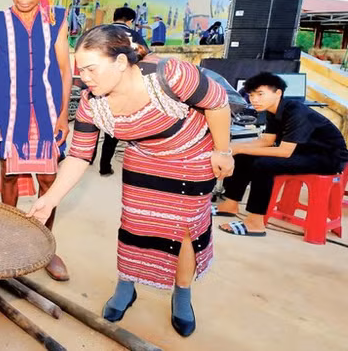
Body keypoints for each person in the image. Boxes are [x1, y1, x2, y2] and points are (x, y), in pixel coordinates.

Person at [28, 25, 233, 337]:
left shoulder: (172, 75)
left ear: (121, 63)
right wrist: (50, 199)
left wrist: (222, 151)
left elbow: (218, 103)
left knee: (186, 229)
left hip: (192, 156)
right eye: (80, 69)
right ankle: (126, 286)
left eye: (91, 68)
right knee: (136, 224)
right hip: (144, 158)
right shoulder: (91, 103)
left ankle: (182, 294)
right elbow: (79, 155)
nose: (84, 77)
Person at [0, 0, 72, 281]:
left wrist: (63, 115)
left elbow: (65, 69)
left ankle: (44, 247)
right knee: (8, 177)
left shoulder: (57, 20)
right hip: (9, 115)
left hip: (47, 115)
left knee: (49, 181)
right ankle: (9, 241)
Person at [215, 73, 348, 235]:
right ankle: (230, 204)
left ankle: (255, 223)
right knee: (243, 157)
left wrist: (238, 148)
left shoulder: (297, 112)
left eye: (260, 94)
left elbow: (284, 152)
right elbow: (266, 141)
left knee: (263, 165)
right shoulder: (273, 111)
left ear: (278, 93)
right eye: (251, 95)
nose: (254, 99)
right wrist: (233, 147)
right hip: (302, 152)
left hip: (327, 158)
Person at [94, 7, 150, 176]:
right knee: (115, 127)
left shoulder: (100, 32)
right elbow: (145, 57)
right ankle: (106, 167)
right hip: (123, 85)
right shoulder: (135, 36)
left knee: (95, 122)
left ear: (114, 17)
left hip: (99, 83)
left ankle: (89, 157)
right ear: (130, 21)